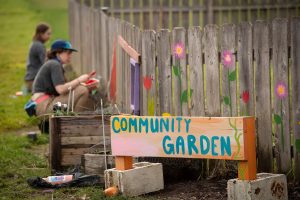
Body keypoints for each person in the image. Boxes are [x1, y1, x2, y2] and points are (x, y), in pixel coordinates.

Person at [30, 39, 103, 117]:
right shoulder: (55, 64)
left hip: (44, 104)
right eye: (68, 53)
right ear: (58, 53)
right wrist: (79, 80)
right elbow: (61, 89)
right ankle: (74, 122)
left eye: (70, 53)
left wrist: (86, 85)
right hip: (44, 107)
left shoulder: (53, 63)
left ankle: (74, 121)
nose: (70, 56)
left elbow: (64, 89)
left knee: (85, 93)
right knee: (82, 90)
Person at [24, 23, 51, 92]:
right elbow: (46, 64)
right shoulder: (39, 46)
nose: (49, 36)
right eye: (48, 34)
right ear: (41, 34)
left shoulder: (34, 43)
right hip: (34, 81)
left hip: (30, 79)